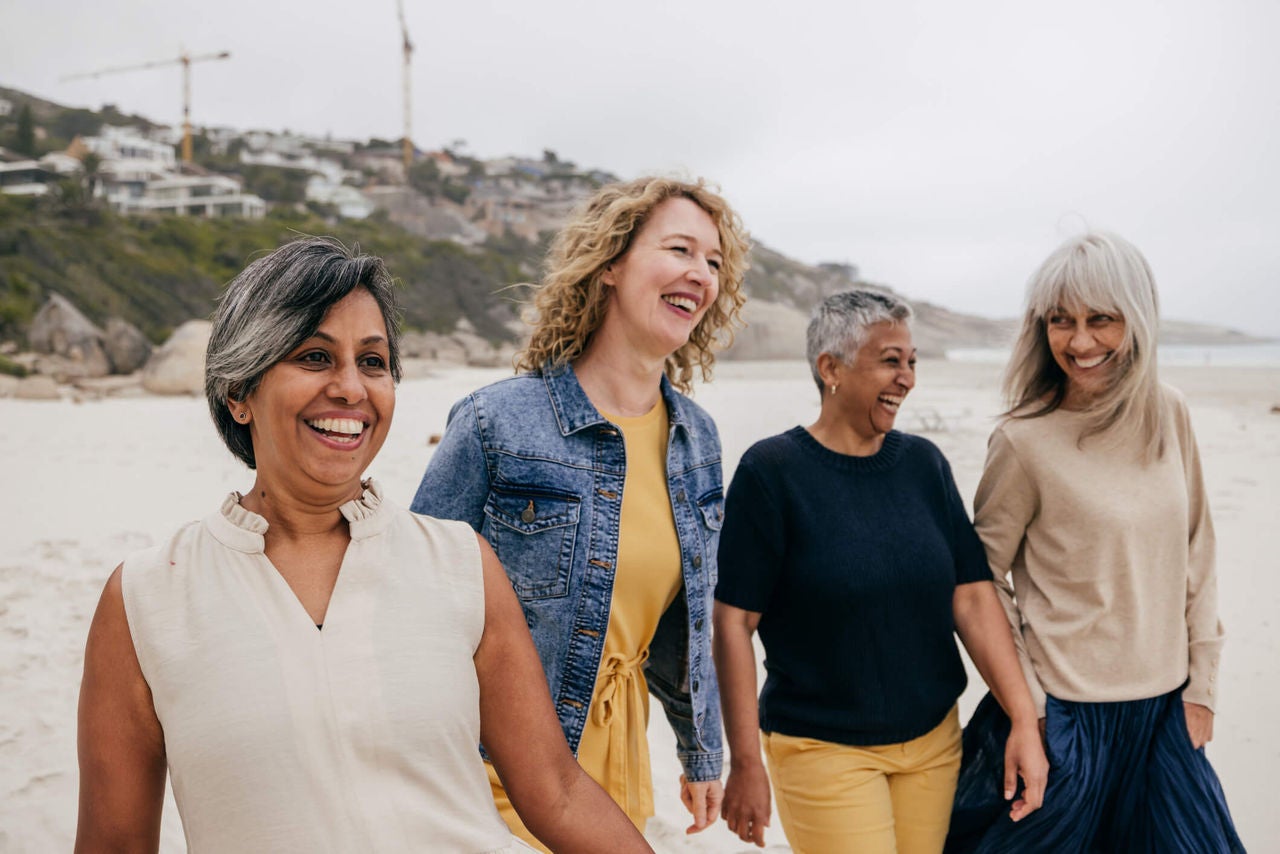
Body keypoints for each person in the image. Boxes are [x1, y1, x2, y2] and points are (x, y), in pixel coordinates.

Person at [75, 237, 652, 853]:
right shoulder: (147, 597)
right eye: (315, 357)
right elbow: (114, 843)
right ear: (238, 392)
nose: (352, 388)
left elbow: (558, 792)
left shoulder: (459, 563)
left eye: (373, 362)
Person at [412, 176, 750, 848]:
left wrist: (701, 748)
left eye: (713, 262)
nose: (700, 274)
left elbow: (688, 622)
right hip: (491, 770)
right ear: (610, 267)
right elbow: (410, 596)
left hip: (616, 769)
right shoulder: (496, 422)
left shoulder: (697, 440)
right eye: (680, 249)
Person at [714, 290, 1048, 854]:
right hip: (823, 750)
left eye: (912, 361)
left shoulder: (924, 466)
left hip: (934, 745)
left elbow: (970, 597)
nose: (908, 378)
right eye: (891, 360)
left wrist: (1022, 717)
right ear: (831, 369)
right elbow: (733, 622)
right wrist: (745, 762)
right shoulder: (772, 473)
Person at [946, 232, 1243, 852]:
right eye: (1062, 321)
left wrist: (1203, 688)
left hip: (1166, 714)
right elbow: (978, 582)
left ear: (1137, 319)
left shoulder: (1170, 413)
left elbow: (1198, 550)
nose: (1079, 343)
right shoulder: (1024, 441)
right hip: (1065, 720)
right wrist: (1030, 705)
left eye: (1100, 320)